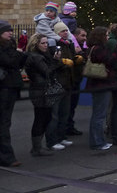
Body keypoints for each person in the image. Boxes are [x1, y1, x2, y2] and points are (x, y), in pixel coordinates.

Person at [0, 20, 26, 166]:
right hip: (2, 88)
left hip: (10, 86)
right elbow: (10, 61)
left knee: (4, 123)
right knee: (3, 123)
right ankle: (5, 156)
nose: (11, 32)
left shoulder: (7, 46)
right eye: (7, 30)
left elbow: (17, 61)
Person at [86, 26, 117, 150]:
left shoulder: (95, 48)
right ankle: (97, 142)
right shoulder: (99, 49)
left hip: (99, 83)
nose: (107, 37)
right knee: (99, 114)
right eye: (106, 35)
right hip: (101, 83)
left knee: (99, 113)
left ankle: (98, 140)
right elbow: (110, 61)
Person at [45, 22, 76, 151]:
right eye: (62, 31)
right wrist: (62, 62)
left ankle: (61, 136)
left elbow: (72, 59)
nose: (65, 32)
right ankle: (52, 140)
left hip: (67, 82)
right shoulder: (53, 45)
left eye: (66, 30)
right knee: (55, 114)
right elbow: (51, 64)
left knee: (64, 112)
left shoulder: (69, 44)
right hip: (57, 83)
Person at [25, 33, 57, 157]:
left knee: (45, 117)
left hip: (41, 89)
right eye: (43, 43)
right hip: (40, 90)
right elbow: (47, 72)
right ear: (36, 44)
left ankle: (38, 146)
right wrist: (56, 61)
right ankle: (37, 147)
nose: (46, 45)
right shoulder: (36, 57)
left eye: (46, 43)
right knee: (41, 118)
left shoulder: (41, 56)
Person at [66, 27, 87, 136]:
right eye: (82, 35)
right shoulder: (72, 46)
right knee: (68, 106)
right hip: (71, 80)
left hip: (77, 79)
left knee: (72, 106)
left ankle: (69, 126)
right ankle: (66, 127)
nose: (84, 38)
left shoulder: (82, 47)